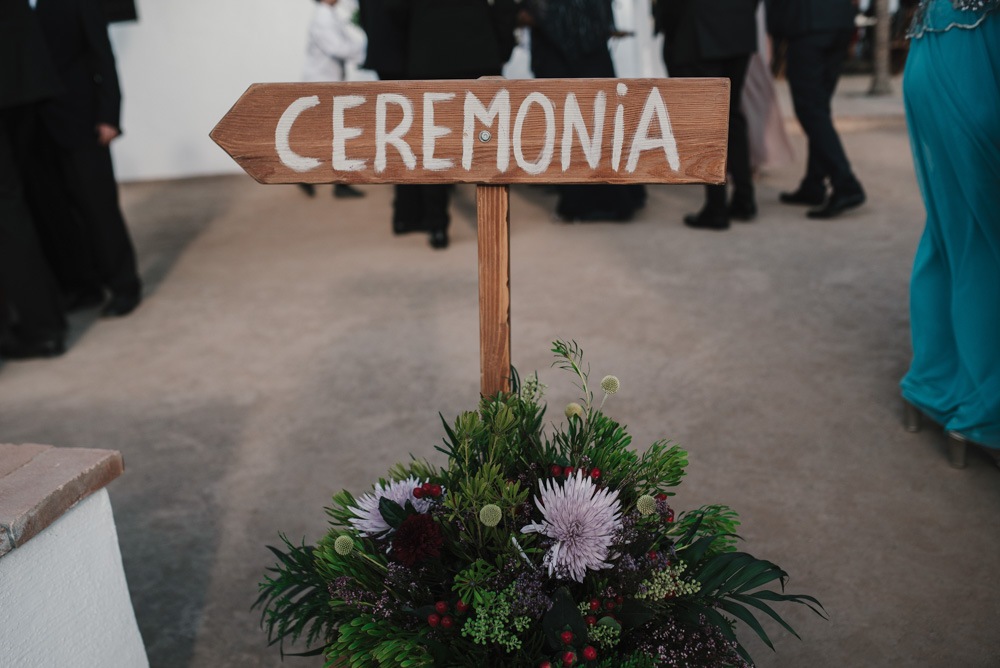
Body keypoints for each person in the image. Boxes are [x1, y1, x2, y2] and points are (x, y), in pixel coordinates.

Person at [900, 0, 1000, 468]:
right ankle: (986, 412)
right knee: (982, 239)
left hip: (932, 39)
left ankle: (932, 383)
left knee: (950, 232)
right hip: (979, 48)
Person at [29, 0, 143, 318]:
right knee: (56, 213)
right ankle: (84, 287)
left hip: (82, 121)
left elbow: (102, 56)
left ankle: (124, 286)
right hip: (33, 128)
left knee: (98, 207)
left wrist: (109, 115)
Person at [384, 0, 517, 249]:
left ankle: (437, 225)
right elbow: (504, 5)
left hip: (430, 56)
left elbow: (394, 9)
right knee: (487, 145)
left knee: (435, 146)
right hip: (479, 51)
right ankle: (495, 222)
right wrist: (501, 47)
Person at [525, 0, 646, 223]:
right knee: (602, 124)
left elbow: (544, 13)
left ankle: (587, 203)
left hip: (561, 55)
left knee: (574, 130)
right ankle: (622, 196)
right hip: (591, 50)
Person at [0, 0, 68, 359]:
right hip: (23, 82)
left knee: (9, 213)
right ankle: (47, 319)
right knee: (19, 206)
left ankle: (40, 328)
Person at [655, 0, 760, 231]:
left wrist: (669, 30)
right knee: (731, 114)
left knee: (706, 123)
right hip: (738, 29)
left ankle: (716, 208)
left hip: (696, 31)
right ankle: (744, 198)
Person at [765, 0, 866, 219]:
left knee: (810, 109)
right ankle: (814, 183)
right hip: (839, 20)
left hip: (809, 24)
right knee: (819, 108)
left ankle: (846, 184)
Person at [299, 0, 367, 199]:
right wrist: (367, 50)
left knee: (331, 135)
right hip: (321, 84)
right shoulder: (322, 17)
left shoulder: (330, 14)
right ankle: (308, 176)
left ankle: (336, 182)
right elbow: (338, 47)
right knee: (332, 135)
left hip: (329, 82)